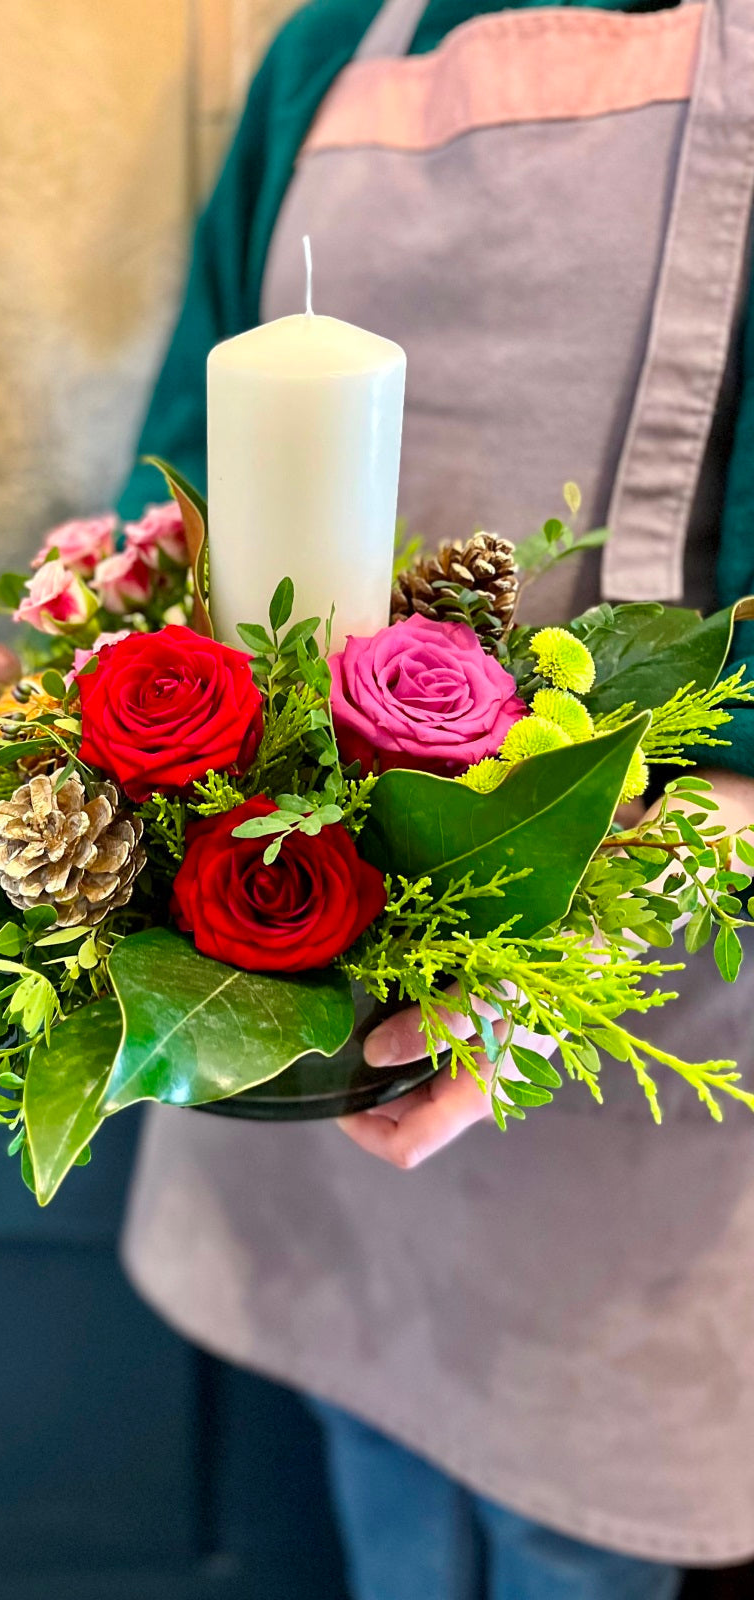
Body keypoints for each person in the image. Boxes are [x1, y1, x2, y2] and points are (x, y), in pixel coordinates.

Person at [114, 0, 754, 1595]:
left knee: (569, 1531)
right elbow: (181, 468)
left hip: (636, 995)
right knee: (371, 1448)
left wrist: (572, 942)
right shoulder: (332, 40)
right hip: (294, 959)